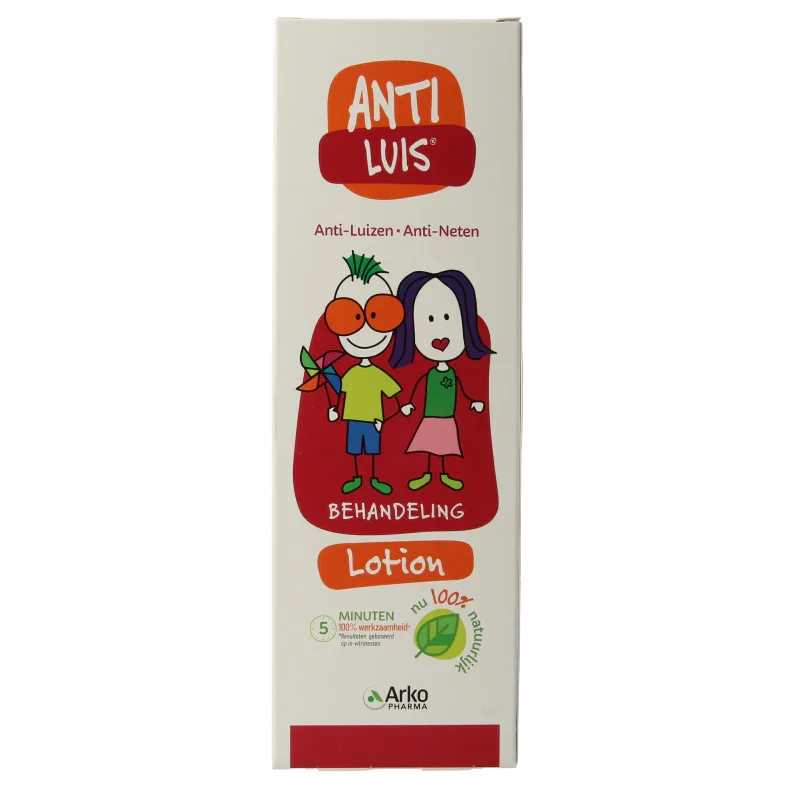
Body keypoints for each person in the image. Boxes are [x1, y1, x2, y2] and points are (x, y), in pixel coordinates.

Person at [389, 270, 494, 491]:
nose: (440, 332)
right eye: (429, 319)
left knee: (445, 446)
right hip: (430, 416)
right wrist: (409, 404)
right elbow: (419, 388)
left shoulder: (452, 374)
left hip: (447, 417)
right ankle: (427, 474)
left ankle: (444, 475)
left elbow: (461, 391)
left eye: (447, 318)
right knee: (429, 445)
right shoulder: (430, 374)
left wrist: (472, 402)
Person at [324, 252, 405, 495]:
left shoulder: (378, 374)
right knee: (355, 451)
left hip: (373, 420)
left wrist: (388, 418)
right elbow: (341, 392)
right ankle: (358, 478)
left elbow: (395, 396)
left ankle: (374, 479)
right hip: (353, 419)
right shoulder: (350, 372)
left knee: (371, 452)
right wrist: (335, 409)